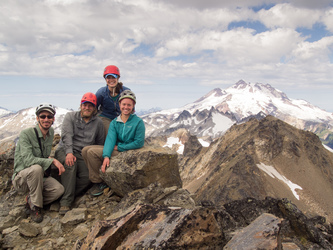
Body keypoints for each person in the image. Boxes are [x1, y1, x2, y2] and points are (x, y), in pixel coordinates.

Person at [82, 90, 145, 197]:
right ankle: (100, 177)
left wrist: (120, 147)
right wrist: (106, 156)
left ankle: (100, 182)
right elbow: (110, 140)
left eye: (129, 105)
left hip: (128, 152)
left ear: (133, 106)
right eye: (124, 104)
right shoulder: (115, 122)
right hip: (117, 150)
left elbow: (139, 142)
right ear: (119, 104)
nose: (126, 107)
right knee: (85, 150)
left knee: (92, 152)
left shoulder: (138, 122)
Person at [12, 103, 65, 223]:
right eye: (43, 116)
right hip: (22, 178)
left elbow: (44, 154)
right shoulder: (26, 134)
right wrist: (52, 160)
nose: (46, 119)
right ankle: (36, 208)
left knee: (59, 190)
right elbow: (28, 161)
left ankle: (31, 200)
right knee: (36, 168)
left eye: (49, 116)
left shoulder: (51, 132)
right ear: (37, 118)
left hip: (39, 176)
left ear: (53, 119)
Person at [55, 92, 105, 215]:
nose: (87, 108)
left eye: (90, 106)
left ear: (94, 108)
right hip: (65, 149)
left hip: (82, 154)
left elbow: (99, 143)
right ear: (80, 105)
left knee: (89, 176)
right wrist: (69, 153)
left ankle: (60, 194)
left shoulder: (98, 123)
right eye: (84, 105)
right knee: (70, 165)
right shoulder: (70, 116)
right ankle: (65, 203)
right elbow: (67, 136)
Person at [95, 65, 130, 137]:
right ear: (105, 79)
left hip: (122, 117)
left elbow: (131, 109)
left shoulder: (126, 92)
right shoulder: (101, 92)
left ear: (118, 78)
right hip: (105, 117)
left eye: (113, 77)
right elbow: (94, 107)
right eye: (108, 77)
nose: (111, 80)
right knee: (111, 135)